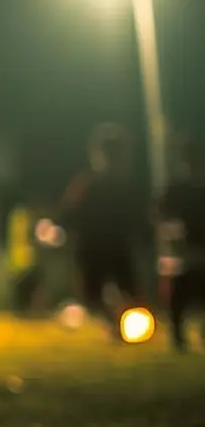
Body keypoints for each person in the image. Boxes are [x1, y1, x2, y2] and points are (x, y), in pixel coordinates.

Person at [60, 123, 147, 330]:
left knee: (130, 292)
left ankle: (127, 324)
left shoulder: (123, 187)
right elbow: (69, 214)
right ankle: (117, 323)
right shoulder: (88, 185)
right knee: (93, 295)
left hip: (115, 246)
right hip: (94, 247)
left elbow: (137, 217)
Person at [159, 134, 205, 352]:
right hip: (183, 250)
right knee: (180, 295)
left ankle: (182, 336)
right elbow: (162, 216)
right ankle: (178, 337)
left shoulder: (185, 189)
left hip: (196, 249)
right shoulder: (176, 189)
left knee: (187, 293)